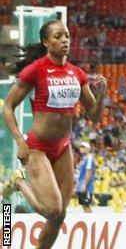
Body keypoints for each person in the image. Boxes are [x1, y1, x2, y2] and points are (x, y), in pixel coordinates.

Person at [1, 20, 106, 249]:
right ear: (46, 42)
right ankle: (19, 182)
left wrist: (102, 95)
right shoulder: (35, 70)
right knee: (52, 209)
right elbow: (7, 107)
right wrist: (20, 141)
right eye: (58, 36)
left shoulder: (77, 74)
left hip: (63, 147)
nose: (65, 40)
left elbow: (94, 116)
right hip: (37, 147)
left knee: (60, 216)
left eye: (67, 36)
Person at [75, 141, 97, 213]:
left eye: (83, 147)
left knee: (87, 206)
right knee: (84, 206)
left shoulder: (89, 158)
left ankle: (91, 222)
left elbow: (89, 172)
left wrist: (85, 185)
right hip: (80, 186)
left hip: (86, 187)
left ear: (88, 148)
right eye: (81, 146)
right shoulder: (83, 159)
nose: (81, 148)